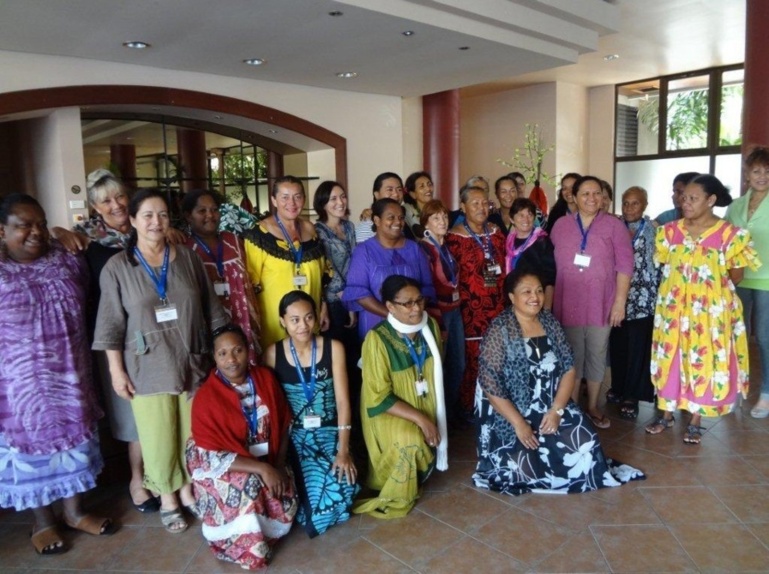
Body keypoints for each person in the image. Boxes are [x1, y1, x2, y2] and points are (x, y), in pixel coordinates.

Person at [93, 188, 229, 533]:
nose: (156, 222)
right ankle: (167, 496)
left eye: (163, 215)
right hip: (146, 365)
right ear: (134, 221)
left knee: (190, 433)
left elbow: (211, 310)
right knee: (157, 436)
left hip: (191, 360)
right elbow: (110, 323)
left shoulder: (187, 258)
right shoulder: (117, 267)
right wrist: (115, 371)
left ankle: (187, 490)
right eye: (148, 216)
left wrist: (219, 355)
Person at [0, 193, 115, 556]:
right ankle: (44, 521)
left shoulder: (67, 258)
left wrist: (66, 233)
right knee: (30, 454)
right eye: (23, 226)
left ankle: (75, 512)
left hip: (71, 376)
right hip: (19, 389)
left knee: (75, 446)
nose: (35, 232)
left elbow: (107, 262)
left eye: (40, 223)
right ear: (2, 231)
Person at [472, 270, 645, 495]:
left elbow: (568, 369)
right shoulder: (499, 330)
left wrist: (557, 410)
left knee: (585, 439)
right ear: (512, 297)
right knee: (522, 463)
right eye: (526, 292)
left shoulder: (549, 321)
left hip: (550, 399)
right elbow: (490, 384)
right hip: (510, 407)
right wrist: (519, 424)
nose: (535, 297)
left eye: (539, 291)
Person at [646, 174, 760, 443]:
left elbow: (737, 275)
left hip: (710, 313)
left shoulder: (731, 236)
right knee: (670, 357)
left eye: (693, 198)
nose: (686, 202)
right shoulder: (668, 232)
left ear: (711, 200)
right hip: (672, 310)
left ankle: (696, 419)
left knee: (703, 358)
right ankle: (666, 413)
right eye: (684, 197)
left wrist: (707, 295)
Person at [187, 325, 297, 570]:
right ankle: (249, 549)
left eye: (237, 350)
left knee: (283, 488)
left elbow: (283, 423)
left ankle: (269, 533)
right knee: (249, 487)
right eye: (223, 353)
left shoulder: (265, 378)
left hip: (267, 454)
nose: (231, 359)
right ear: (214, 358)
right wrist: (262, 469)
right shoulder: (206, 397)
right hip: (222, 462)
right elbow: (210, 455)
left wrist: (277, 465)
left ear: (248, 351)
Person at [264, 291, 359, 537]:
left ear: (316, 318)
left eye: (308, 318)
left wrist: (343, 451)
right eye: (294, 319)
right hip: (295, 437)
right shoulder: (272, 354)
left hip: (331, 431)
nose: (302, 325)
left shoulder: (333, 347)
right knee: (307, 500)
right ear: (282, 321)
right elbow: (273, 408)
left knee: (343, 484)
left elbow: (342, 401)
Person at [353, 275, 447, 519]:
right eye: (406, 304)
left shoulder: (431, 327)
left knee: (421, 433)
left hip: (422, 402)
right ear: (390, 307)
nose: (415, 308)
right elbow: (378, 396)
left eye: (419, 300)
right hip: (386, 410)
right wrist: (422, 419)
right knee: (409, 440)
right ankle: (396, 492)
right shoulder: (378, 339)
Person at [550, 175, 634, 429]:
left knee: (596, 354)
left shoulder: (614, 226)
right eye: (585, 193)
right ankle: (572, 407)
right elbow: (549, 267)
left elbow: (625, 266)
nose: (591, 198)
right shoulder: (560, 226)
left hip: (602, 303)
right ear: (573, 197)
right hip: (568, 303)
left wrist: (620, 302)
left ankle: (593, 406)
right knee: (572, 356)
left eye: (596, 193)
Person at [243, 175, 329, 350]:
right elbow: (250, 283)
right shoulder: (258, 233)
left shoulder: (310, 229)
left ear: (304, 199)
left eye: (297, 196)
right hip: (275, 321)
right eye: (285, 197)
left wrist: (323, 306)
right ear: (274, 200)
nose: (292, 202)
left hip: (308, 318)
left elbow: (323, 272)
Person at [446, 185, 506, 417]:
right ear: (463, 207)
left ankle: (496, 403)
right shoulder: (454, 237)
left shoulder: (496, 232)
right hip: (470, 309)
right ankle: (470, 407)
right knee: (472, 357)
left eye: (485, 203)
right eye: (475, 203)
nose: (482, 208)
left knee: (496, 353)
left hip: (497, 305)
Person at [182, 189, 261, 364]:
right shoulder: (184, 249)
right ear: (188, 216)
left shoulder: (234, 241)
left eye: (214, 209)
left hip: (243, 322)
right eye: (202, 211)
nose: (210, 215)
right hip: (208, 326)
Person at [343, 198, 436, 340]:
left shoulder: (415, 249)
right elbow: (359, 292)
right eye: (391, 217)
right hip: (376, 324)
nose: (398, 222)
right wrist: (393, 315)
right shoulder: (364, 251)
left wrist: (411, 312)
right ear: (376, 220)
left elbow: (427, 287)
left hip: (413, 324)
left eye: (401, 218)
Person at [608, 186, 658, 420]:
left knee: (638, 349)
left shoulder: (655, 230)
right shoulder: (613, 226)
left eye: (635, 203)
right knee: (618, 346)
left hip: (643, 300)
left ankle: (632, 395)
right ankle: (618, 387)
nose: (629, 208)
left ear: (645, 205)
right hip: (616, 298)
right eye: (625, 203)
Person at [726, 147, 769, 418]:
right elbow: (726, 241)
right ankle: (735, 389)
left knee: (764, 337)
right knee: (736, 336)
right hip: (739, 278)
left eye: (767, 171)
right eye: (757, 171)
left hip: (766, 279)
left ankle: (765, 393)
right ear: (747, 174)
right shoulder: (736, 206)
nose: (762, 175)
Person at [419, 199, 466, 426]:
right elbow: (427, 288)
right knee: (440, 365)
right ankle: (440, 417)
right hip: (438, 314)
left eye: (444, 216)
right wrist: (438, 322)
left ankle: (450, 410)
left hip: (455, 310)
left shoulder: (445, 246)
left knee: (458, 363)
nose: (442, 221)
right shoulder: (425, 249)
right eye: (435, 218)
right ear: (425, 222)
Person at [313, 180, 359, 367]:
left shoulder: (349, 227)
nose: (340, 202)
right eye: (333, 198)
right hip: (333, 300)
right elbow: (327, 268)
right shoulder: (317, 231)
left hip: (354, 295)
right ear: (323, 204)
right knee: (337, 354)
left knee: (356, 353)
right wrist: (347, 300)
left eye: (342, 196)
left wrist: (354, 296)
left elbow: (356, 260)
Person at [504, 197, 556, 310]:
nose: (526, 219)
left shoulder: (542, 241)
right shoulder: (508, 241)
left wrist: (546, 310)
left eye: (530, 215)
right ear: (512, 219)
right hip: (513, 301)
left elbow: (550, 279)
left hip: (535, 302)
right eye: (521, 215)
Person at [355, 172, 415, 243]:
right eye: (390, 189)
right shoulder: (367, 225)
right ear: (377, 194)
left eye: (399, 190)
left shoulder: (402, 219)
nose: (396, 194)